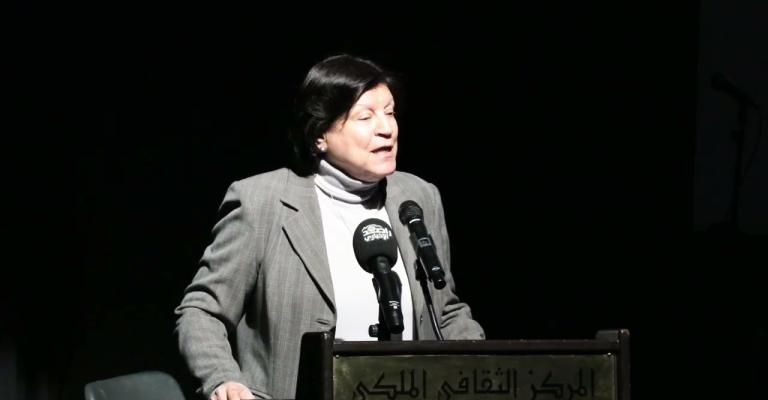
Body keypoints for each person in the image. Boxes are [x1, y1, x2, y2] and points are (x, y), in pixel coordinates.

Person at [175, 54, 484, 400]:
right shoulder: (261, 202)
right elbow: (202, 311)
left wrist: (485, 366)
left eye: (390, 112)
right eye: (365, 116)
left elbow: (445, 310)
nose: (386, 128)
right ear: (320, 134)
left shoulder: (418, 197)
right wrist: (223, 379)